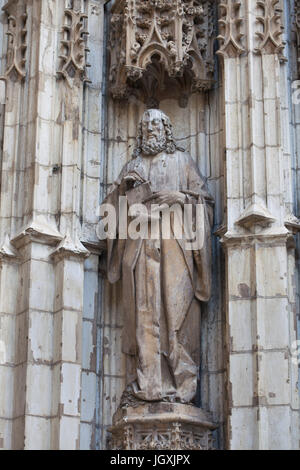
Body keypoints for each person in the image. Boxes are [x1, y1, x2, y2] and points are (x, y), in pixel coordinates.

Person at [101, 109, 214, 405]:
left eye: (156, 123)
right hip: (140, 248)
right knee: (145, 315)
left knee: (176, 315)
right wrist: (123, 194)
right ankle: (149, 385)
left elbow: (205, 203)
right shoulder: (132, 165)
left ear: (166, 128)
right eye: (145, 125)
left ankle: (182, 387)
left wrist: (179, 197)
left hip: (177, 246)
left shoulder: (183, 161)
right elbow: (108, 219)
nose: (150, 129)